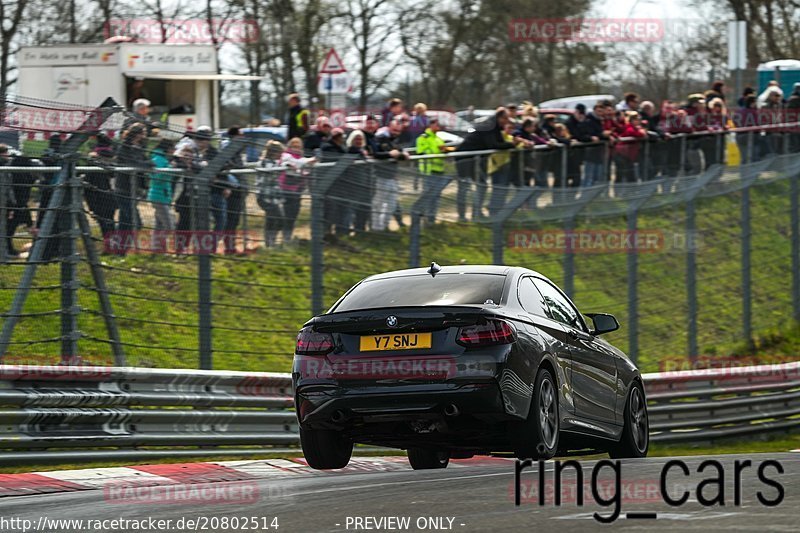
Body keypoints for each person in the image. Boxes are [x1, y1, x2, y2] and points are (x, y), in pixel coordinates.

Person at [454, 107, 514, 221]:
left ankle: (476, 213)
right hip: (464, 157)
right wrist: (512, 145)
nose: (507, 121)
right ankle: (462, 216)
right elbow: (493, 144)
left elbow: (500, 142)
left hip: (477, 158)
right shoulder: (489, 126)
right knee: (464, 187)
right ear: (499, 117)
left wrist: (513, 143)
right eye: (505, 118)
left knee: (482, 185)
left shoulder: (496, 127)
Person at [114, 123, 149, 251]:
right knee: (135, 222)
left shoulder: (139, 147)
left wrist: (145, 164)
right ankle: (120, 247)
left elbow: (145, 162)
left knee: (124, 222)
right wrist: (145, 164)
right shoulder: (124, 147)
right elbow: (132, 163)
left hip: (133, 189)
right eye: (143, 133)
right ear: (137, 134)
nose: (144, 136)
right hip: (123, 188)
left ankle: (119, 249)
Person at [371, 119, 410, 231]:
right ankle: (376, 228)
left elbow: (399, 154)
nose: (396, 132)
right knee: (378, 204)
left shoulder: (394, 140)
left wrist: (403, 153)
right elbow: (375, 154)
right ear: (389, 127)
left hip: (392, 177)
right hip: (380, 176)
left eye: (398, 131)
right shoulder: (380, 138)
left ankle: (384, 226)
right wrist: (389, 154)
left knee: (391, 204)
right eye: (394, 130)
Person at [278, 137, 316, 243]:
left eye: (298, 146)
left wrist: (310, 162)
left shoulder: (301, 157)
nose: (296, 148)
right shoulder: (286, 155)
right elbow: (292, 163)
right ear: (289, 146)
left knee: (294, 214)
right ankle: (284, 238)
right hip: (286, 189)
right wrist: (305, 163)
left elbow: (302, 164)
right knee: (288, 214)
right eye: (294, 146)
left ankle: (288, 238)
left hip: (298, 189)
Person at [415, 118, 452, 222]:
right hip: (429, 170)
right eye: (436, 125)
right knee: (428, 194)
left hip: (439, 170)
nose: (438, 127)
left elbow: (442, 150)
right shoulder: (423, 138)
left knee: (436, 195)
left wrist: (446, 151)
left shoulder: (438, 138)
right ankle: (422, 215)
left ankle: (432, 218)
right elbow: (422, 151)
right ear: (430, 125)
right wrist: (439, 150)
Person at [84, 135, 117, 240]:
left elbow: (88, 183)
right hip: (107, 196)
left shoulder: (92, 163)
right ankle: (113, 244)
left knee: (104, 223)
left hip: (97, 197)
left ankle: (110, 244)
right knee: (109, 222)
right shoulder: (110, 163)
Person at [221, 126, 246, 254]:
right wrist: (229, 185)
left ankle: (231, 246)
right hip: (232, 188)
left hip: (238, 188)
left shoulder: (236, 150)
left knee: (235, 219)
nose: (243, 138)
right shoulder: (228, 148)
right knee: (231, 219)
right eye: (240, 135)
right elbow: (226, 168)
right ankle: (229, 247)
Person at [256, 140, 285, 248]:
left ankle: (271, 241)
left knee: (276, 219)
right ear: (273, 152)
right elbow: (271, 172)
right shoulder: (265, 162)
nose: (280, 156)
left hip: (273, 197)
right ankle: (269, 242)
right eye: (279, 153)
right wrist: (283, 166)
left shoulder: (275, 163)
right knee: (275, 218)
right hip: (264, 197)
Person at [566, 103, 603, 187]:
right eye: (579, 113)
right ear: (575, 112)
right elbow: (577, 135)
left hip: (580, 153)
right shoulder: (569, 123)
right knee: (571, 176)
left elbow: (586, 132)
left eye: (582, 114)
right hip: (570, 154)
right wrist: (589, 138)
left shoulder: (584, 121)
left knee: (578, 177)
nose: (581, 116)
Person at [147, 138, 177, 238]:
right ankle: (159, 245)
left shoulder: (163, 158)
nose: (174, 151)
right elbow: (157, 177)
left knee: (159, 225)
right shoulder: (158, 159)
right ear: (168, 148)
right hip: (158, 196)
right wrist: (171, 168)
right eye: (173, 148)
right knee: (169, 226)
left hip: (163, 195)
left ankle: (156, 249)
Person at [345, 130, 372, 233]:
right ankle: (346, 229)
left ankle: (360, 228)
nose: (359, 141)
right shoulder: (350, 150)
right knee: (351, 208)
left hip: (364, 183)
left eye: (360, 139)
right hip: (353, 184)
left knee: (363, 208)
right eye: (356, 139)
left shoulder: (364, 150)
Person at [613, 111, 647, 183]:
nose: (638, 121)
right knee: (621, 174)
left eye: (639, 119)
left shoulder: (636, 128)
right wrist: (641, 132)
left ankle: (631, 192)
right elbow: (634, 133)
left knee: (630, 174)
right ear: (632, 120)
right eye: (636, 120)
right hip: (621, 154)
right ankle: (619, 191)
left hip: (629, 156)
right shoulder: (629, 127)